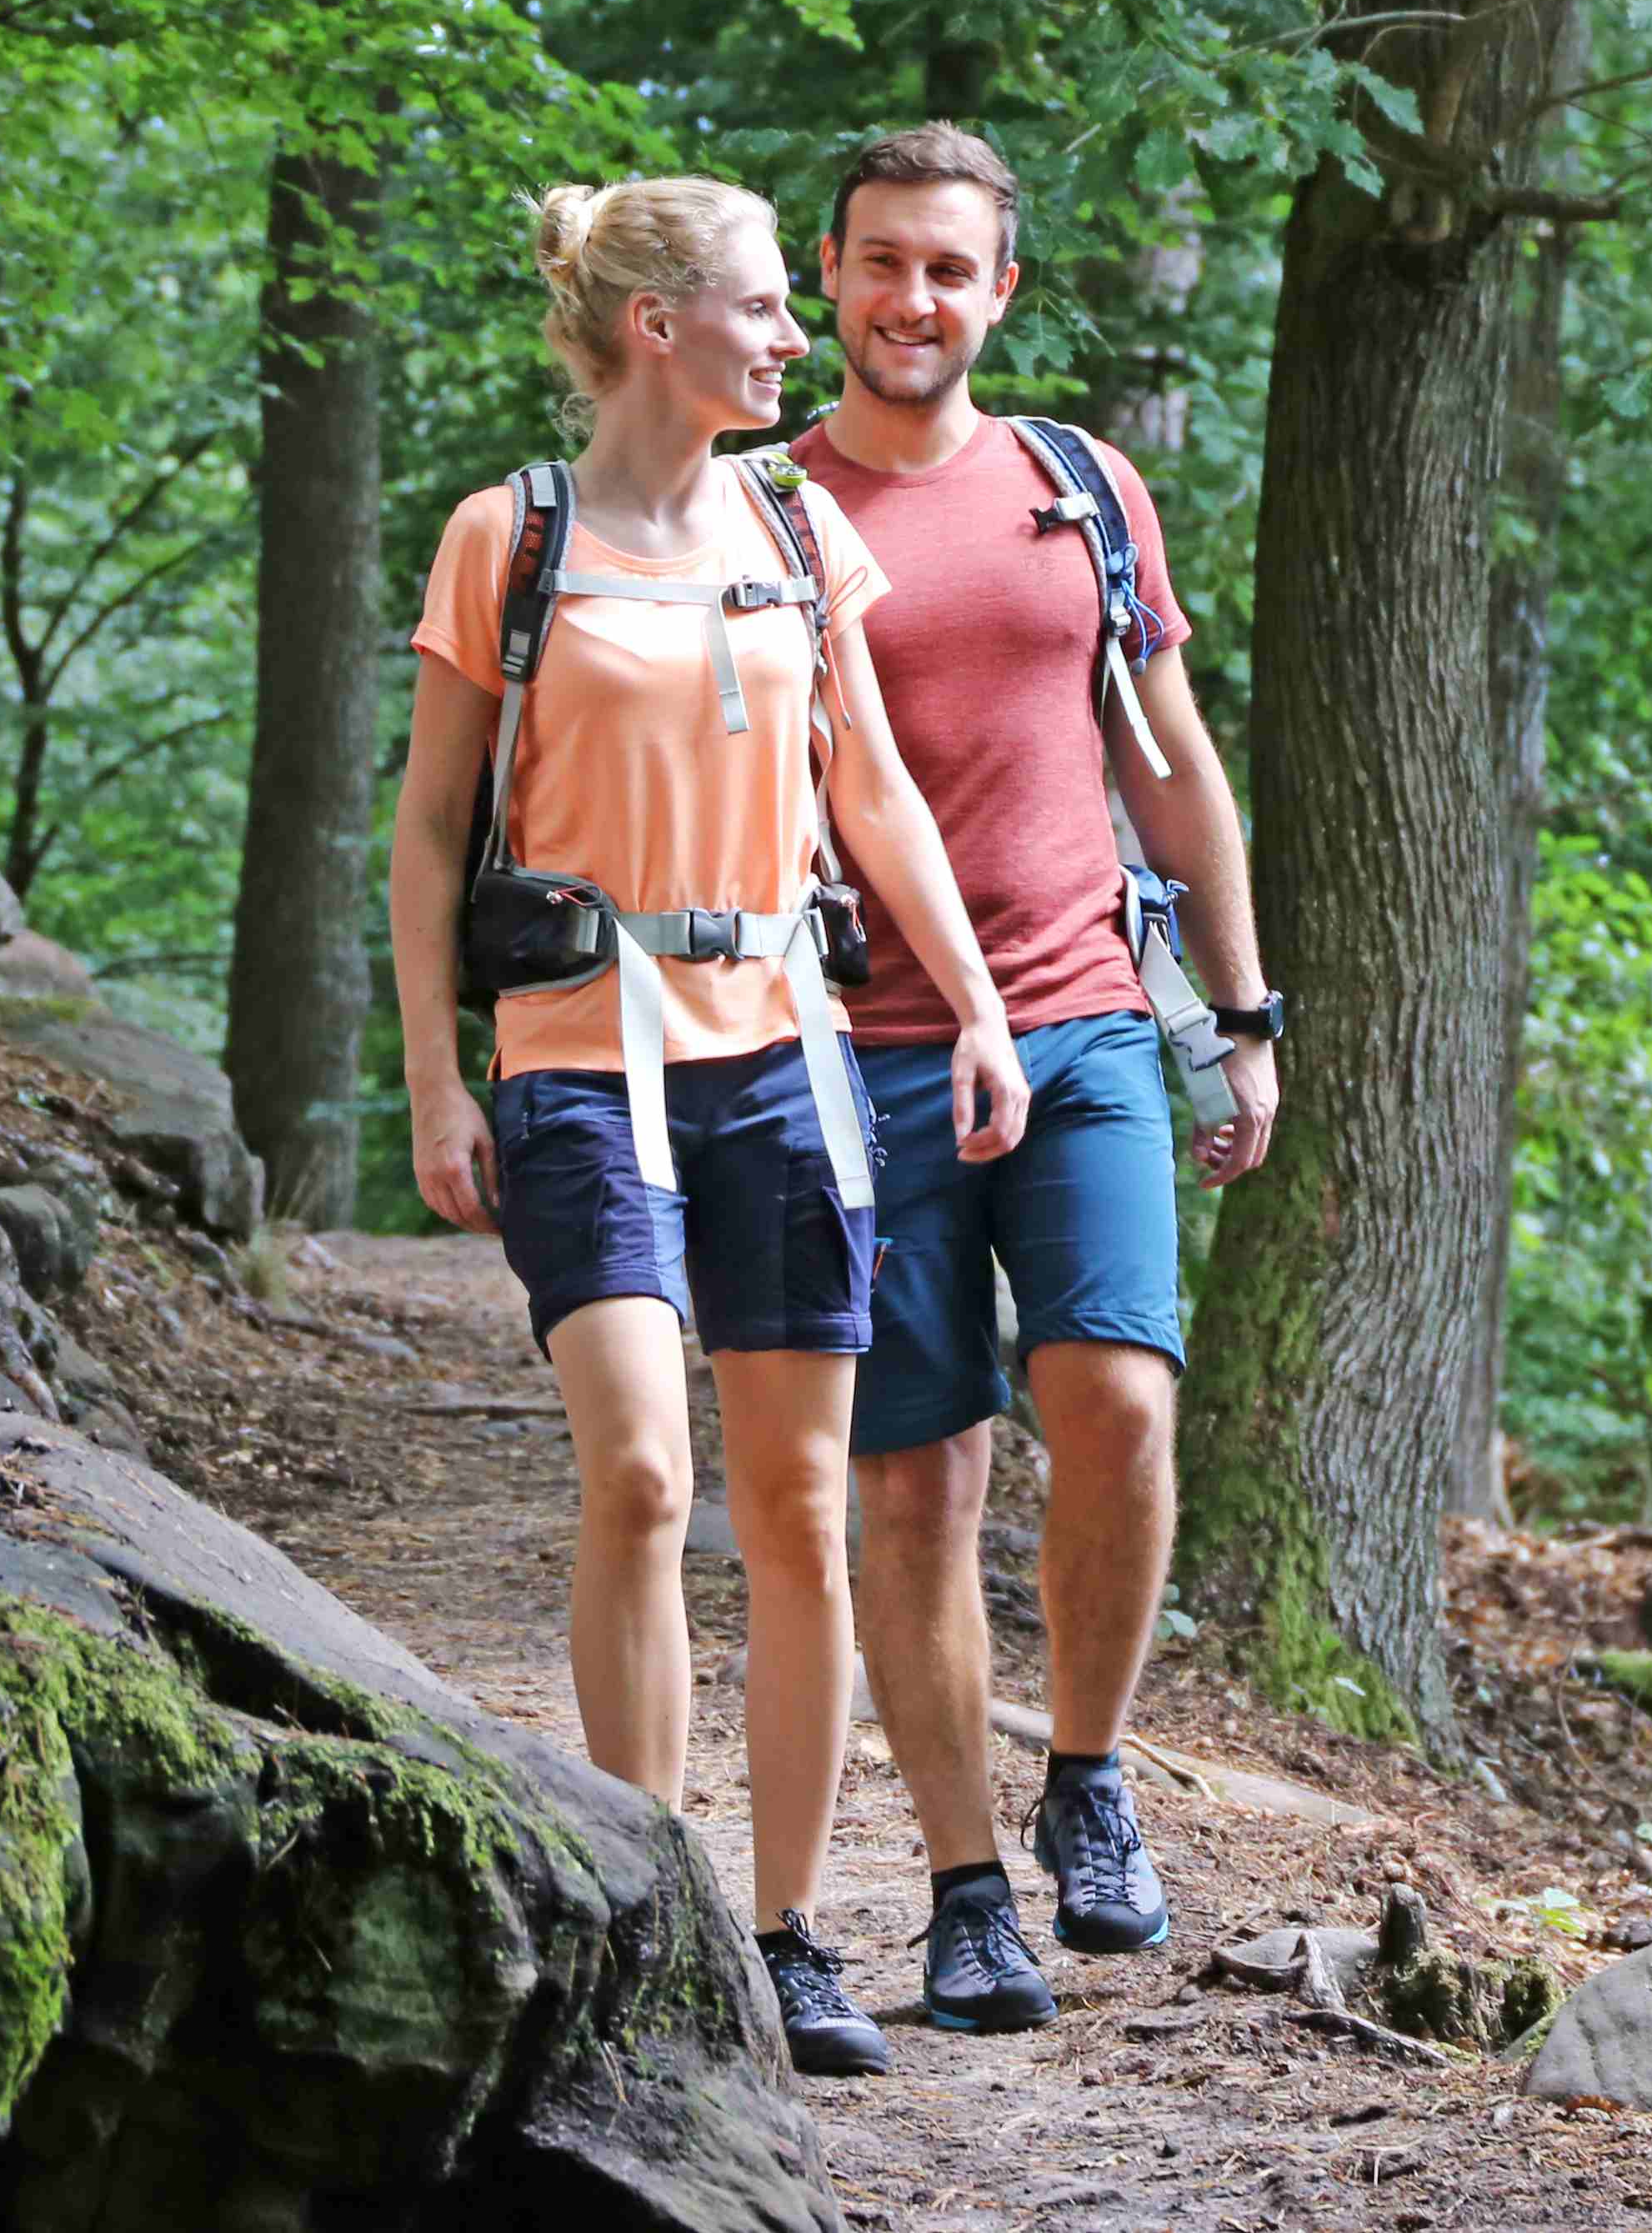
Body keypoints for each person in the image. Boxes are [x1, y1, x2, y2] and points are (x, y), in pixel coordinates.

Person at [384, 173, 1031, 2079]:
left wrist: (978, 1006)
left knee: (802, 1510)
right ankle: (648, 1914)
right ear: (656, 325)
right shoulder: (510, 537)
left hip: (782, 1059)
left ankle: (786, 1934)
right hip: (581, 1054)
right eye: (763, 305)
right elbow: (429, 830)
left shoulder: (799, 529)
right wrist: (435, 1075)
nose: (793, 337)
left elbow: (877, 793)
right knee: (648, 1480)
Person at [788, 126, 1284, 2033]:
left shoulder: (1079, 486)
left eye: (950, 268)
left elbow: (1175, 759)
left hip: (1083, 1021)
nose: (913, 299)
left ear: (1001, 291)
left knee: (1123, 1405)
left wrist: (1238, 1015)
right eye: (882, 262)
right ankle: (964, 1890)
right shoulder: (762, 511)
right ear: (829, 274)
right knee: (914, 1482)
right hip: (858, 1056)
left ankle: (1087, 1772)